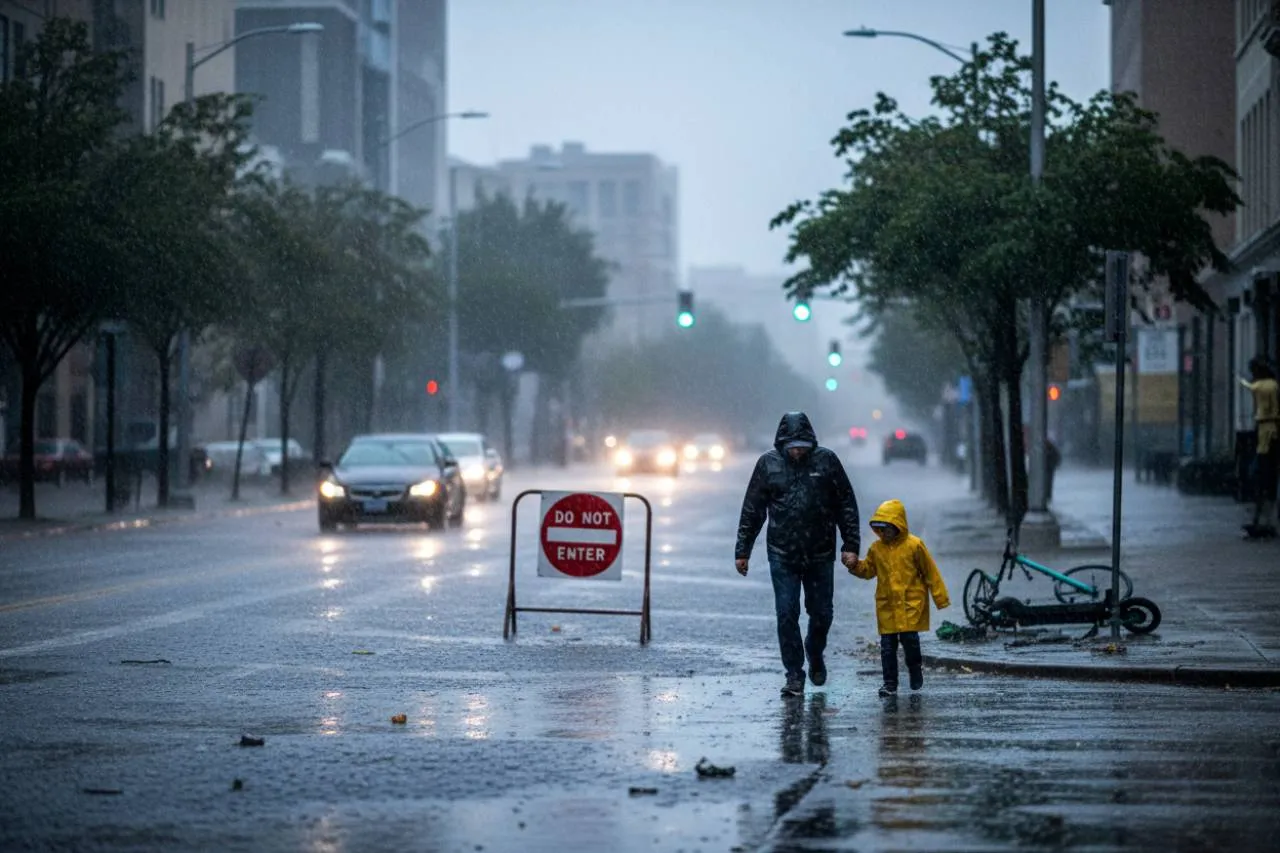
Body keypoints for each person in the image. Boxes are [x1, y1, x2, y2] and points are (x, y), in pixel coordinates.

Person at [735, 411, 861, 697]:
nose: (797, 451)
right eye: (793, 445)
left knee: (822, 613)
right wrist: (743, 551)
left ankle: (814, 652)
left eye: (802, 445)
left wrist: (850, 545)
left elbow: (846, 505)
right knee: (786, 613)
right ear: (783, 443)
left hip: (820, 553)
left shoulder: (827, 461)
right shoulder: (768, 464)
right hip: (782, 554)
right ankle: (794, 673)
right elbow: (752, 510)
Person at [849, 499, 950, 697]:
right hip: (887, 606)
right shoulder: (876, 549)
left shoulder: (914, 546)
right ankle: (889, 683)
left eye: (886, 529)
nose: (882, 533)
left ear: (897, 526)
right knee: (887, 648)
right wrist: (854, 566)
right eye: (879, 529)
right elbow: (868, 570)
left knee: (910, 642)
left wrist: (940, 598)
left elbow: (931, 573)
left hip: (910, 605)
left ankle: (914, 669)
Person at [1240, 357, 1279, 539]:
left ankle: (1264, 520)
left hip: (1268, 435)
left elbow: (1252, 387)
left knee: (1263, 478)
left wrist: (1240, 379)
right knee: (1264, 478)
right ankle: (1264, 519)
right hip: (1266, 434)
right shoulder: (1271, 385)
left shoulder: (1266, 385)